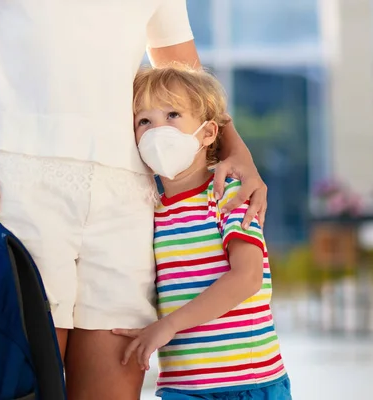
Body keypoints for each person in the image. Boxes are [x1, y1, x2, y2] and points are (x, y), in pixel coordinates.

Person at [0, 1, 267, 398]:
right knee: (18, 386)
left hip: (126, 198)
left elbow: (187, 80)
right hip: (16, 189)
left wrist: (236, 147)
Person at [112, 65, 290, 399]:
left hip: (248, 383)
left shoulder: (228, 196)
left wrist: (167, 326)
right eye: (144, 121)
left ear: (208, 134)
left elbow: (248, 277)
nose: (156, 131)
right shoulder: (150, 208)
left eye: (173, 114)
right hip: (182, 387)